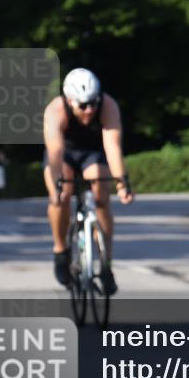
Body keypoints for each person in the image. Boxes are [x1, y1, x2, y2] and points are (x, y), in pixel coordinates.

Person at [43, 68, 134, 295]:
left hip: (92, 152)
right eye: (83, 105)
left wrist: (122, 183)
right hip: (63, 154)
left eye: (93, 103)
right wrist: (55, 188)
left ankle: (106, 264)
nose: (90, 110)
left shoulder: (108, 105)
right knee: (61, 197)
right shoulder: (55, 111)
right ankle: (60, 250)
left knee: (102, 196)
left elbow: (112, 146)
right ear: (69, 100)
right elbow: (55, 153)